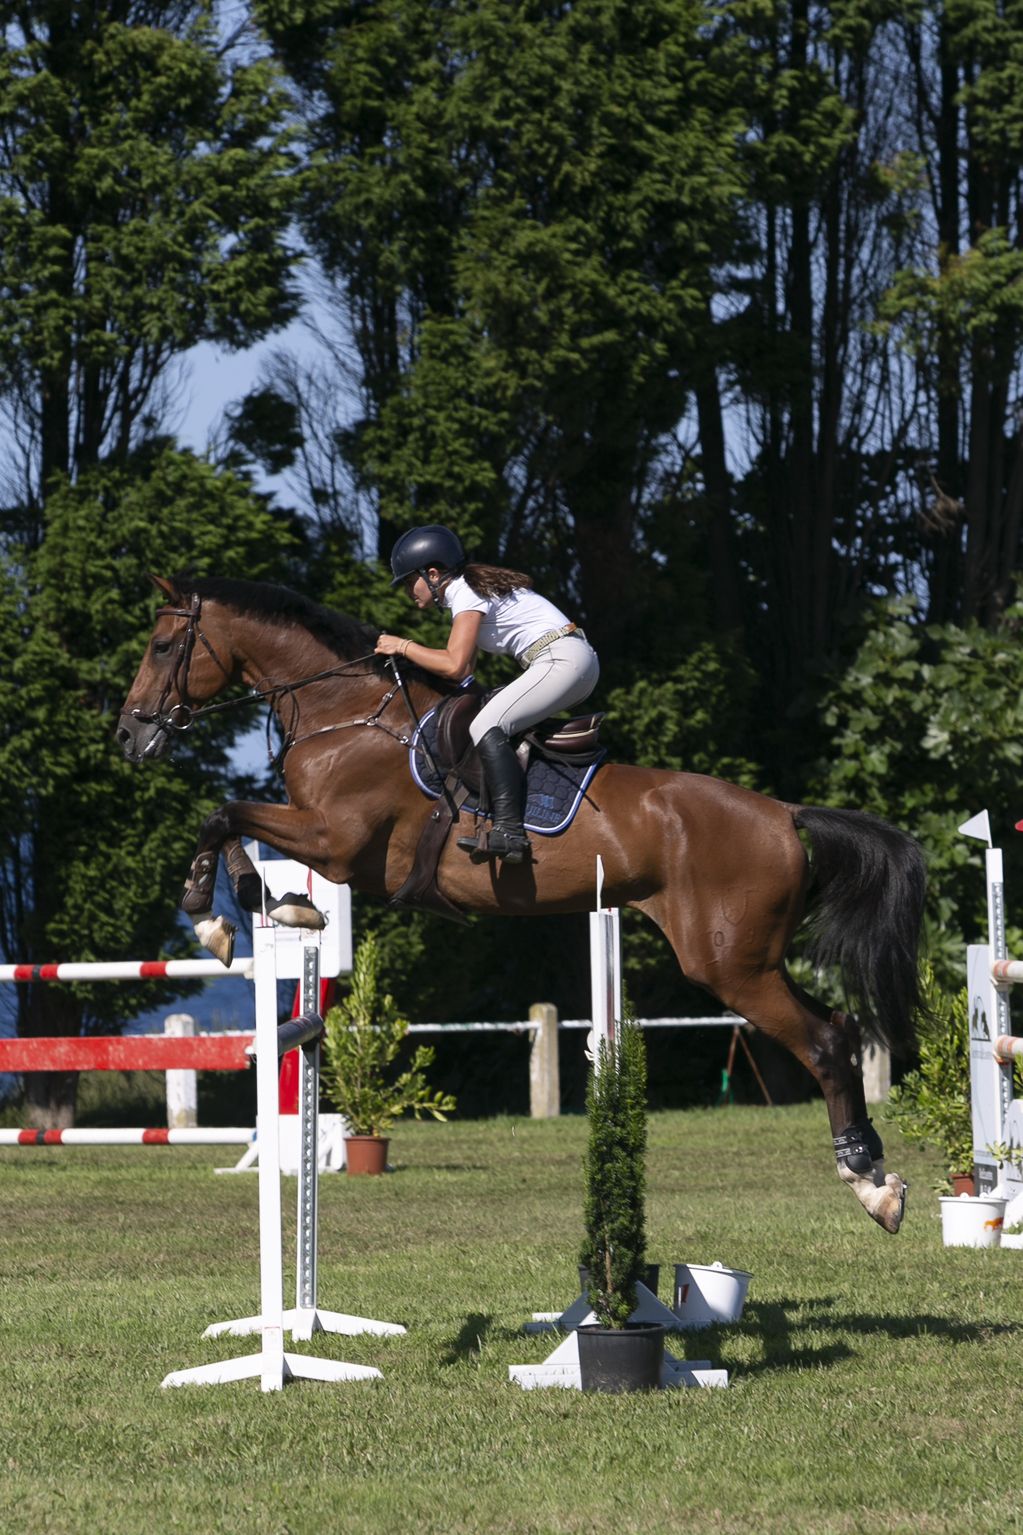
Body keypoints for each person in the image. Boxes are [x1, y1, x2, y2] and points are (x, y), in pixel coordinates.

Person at [375, 524, 599, 864]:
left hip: (561, 660)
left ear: (432, 574)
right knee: (493, 715)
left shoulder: (464, 591)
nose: (409, 591)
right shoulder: (469, 591)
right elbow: (464, 673)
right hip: (567, 659)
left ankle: (510, 830)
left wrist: (403, 646)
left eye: (410, 581)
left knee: (485, 725)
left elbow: (453, 665)